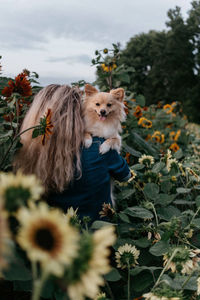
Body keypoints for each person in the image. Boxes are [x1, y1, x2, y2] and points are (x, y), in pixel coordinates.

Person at [14, 84, 131, 222]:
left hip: (50, 237)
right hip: (97, 236)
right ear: (76, 115)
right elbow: (126, 176)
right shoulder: (100, 149)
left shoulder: (25, 154)